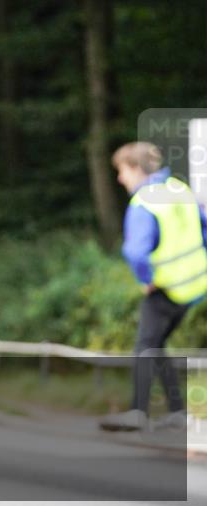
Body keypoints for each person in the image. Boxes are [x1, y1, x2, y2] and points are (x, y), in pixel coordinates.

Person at [99, 142, 207, 432]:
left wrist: (147, 279)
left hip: (166, 288)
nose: (121, 179)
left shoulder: (145, 201)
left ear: (135, 168)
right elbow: (204, 227)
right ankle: (177, 412)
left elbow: (135, 252)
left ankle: (138, 413)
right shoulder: (180, 190)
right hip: (194, 286)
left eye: (122, 171)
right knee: (156, 344)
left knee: (145, 346)